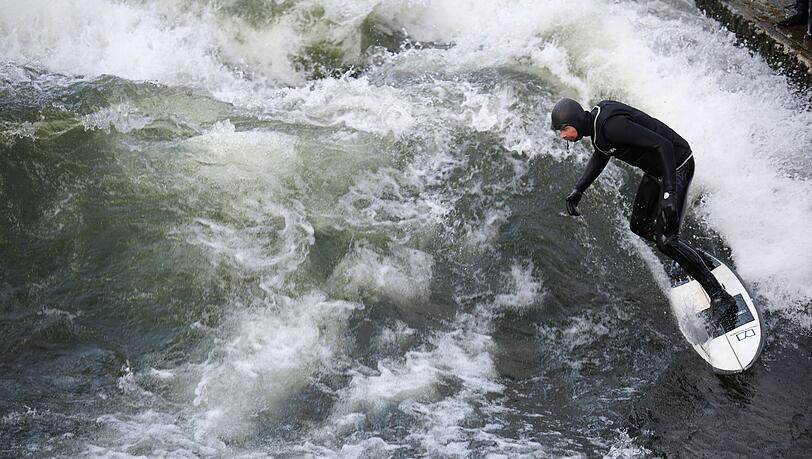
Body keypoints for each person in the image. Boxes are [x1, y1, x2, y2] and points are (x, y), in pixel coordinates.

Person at [550, 98, 737, 326]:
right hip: (656, 170)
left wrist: (669, 192)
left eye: (563, 130)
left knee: (666, 240)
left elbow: (663, 146)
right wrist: (579, 189)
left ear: (575, 122)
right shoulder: (598, 129)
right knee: (638, 226)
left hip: (676, 165)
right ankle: (696, 258)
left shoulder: (610, 125)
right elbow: (602, 152)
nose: (562, 136)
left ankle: (722, 299)